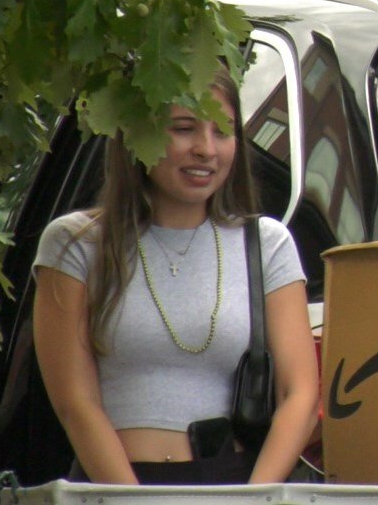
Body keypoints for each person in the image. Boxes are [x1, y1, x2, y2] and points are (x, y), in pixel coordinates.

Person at [33, 67, 319, 484]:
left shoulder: (267, 243)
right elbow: (76, 403)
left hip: (234, 485)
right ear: (138, 134)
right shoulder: (75, 243)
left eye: (222, 131)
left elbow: (301, 396)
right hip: (115, 486)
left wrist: (254, 499)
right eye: (184, 129)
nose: (206, 149)